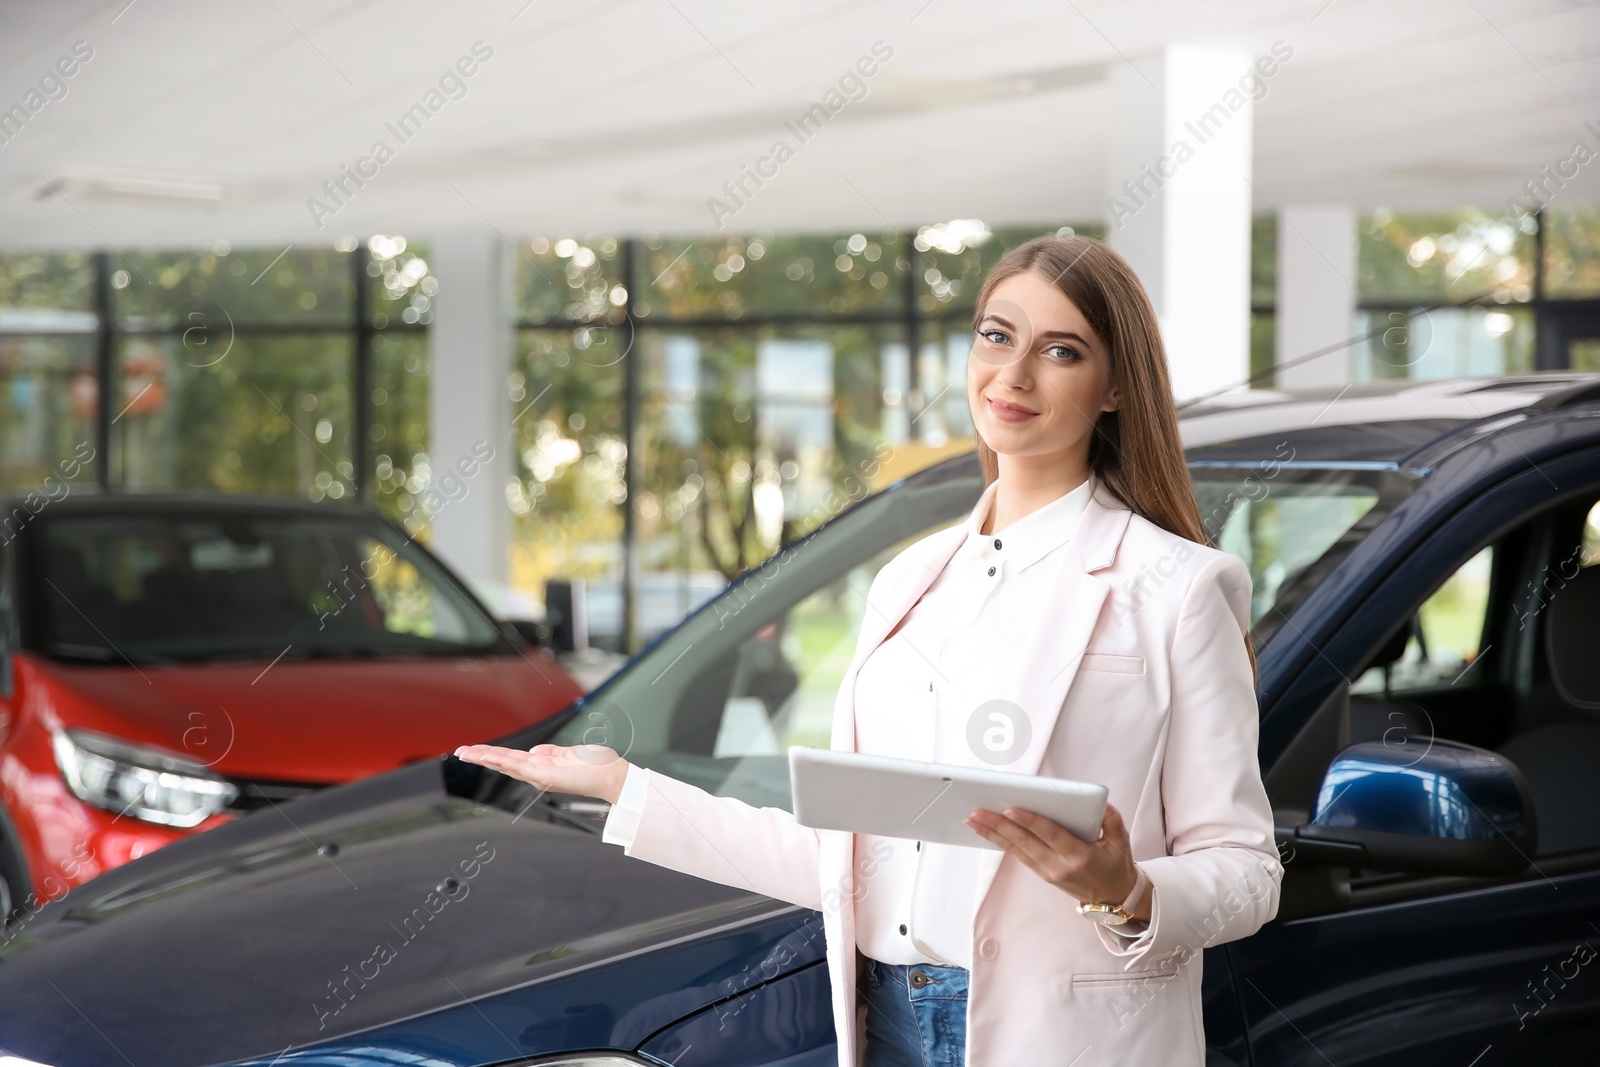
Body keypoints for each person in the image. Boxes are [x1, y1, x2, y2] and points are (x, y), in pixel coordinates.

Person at [455, 234, 1281, 1066]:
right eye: (997, 335)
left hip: (1064, 1039)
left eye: (1060, 351)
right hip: (884, 1019)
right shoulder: (909, 579)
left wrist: (1127, 892)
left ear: (1113, 388)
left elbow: (1247, 872)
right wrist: (622, 788)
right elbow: (841, 857)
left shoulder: (1177, 586)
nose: (1014, 374)